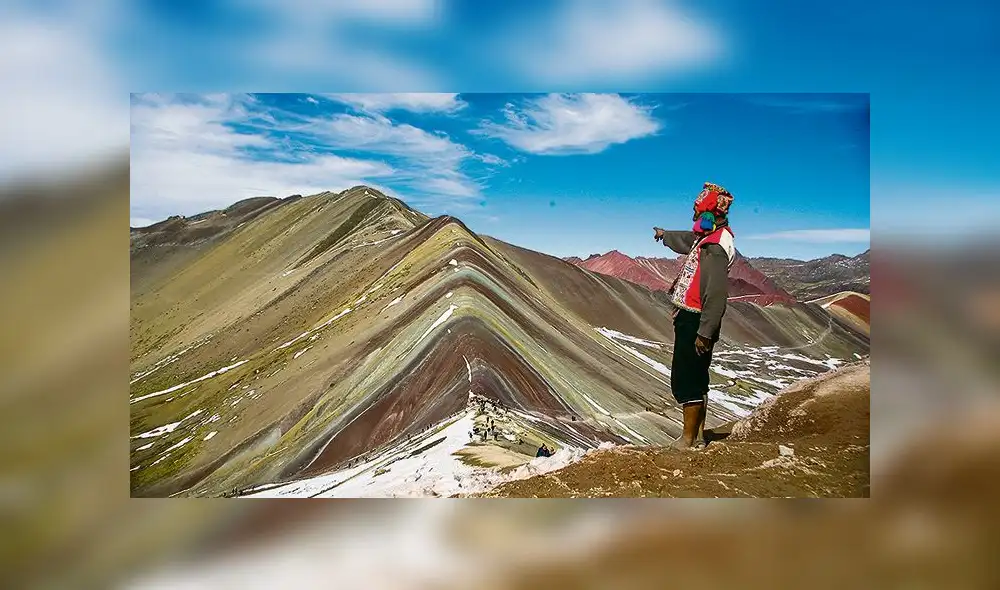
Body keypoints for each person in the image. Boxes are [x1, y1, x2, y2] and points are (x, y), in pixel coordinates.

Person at [653, 182, 736, 451]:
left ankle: (687, 439)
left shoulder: (715, 247)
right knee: (698, 376)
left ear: (710, 213)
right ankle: (698, 436)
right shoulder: (708, 238)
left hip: (696, 320)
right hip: (694, 318)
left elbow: (715, 292)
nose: (694, 216)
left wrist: (705, 331)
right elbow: (688, 239)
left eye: (697, 211)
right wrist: (665, 235)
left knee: (687, 376)